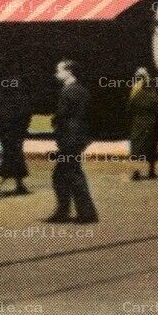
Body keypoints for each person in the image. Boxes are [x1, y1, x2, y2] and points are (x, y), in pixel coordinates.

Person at [46, 59, 98, 224]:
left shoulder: (69, 91)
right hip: (77, 137)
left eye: (59, 70)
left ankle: (82, 213)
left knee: (70, 175)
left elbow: (63, 115)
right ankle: (74, 212)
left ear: (69, 71)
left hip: (70, 137)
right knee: (65, 174)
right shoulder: (82, 90)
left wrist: (55, 121)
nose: (56, 73)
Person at [0, 73, 32, 196]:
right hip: (17, 130)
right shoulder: (21, 97)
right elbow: (26, 113)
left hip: (3, 131)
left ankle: (20, 184)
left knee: (13, 154)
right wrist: (24, 127)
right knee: (14, 155)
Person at [127, 67, 158, 181]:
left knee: (138, 149)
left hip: (139, 123)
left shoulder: (136, 93)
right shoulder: (152, 94)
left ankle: (137, 171)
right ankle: (150, 171)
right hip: (150, 123)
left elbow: (130, 108)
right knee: (149, 149)